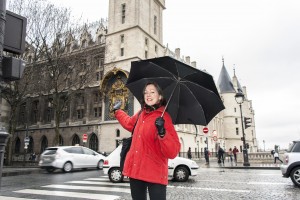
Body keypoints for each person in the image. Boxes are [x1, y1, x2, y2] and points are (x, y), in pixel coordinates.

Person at [113, 82, 180, 200]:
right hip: (136, 171)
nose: (148, 95)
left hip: (155, 173)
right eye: (146, 92)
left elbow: (172, 152)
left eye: (152, 92)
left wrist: (163, 133)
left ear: (160, 96)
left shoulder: (165, 118)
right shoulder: (141, 114)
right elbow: (129, 123)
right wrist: (117, 111)